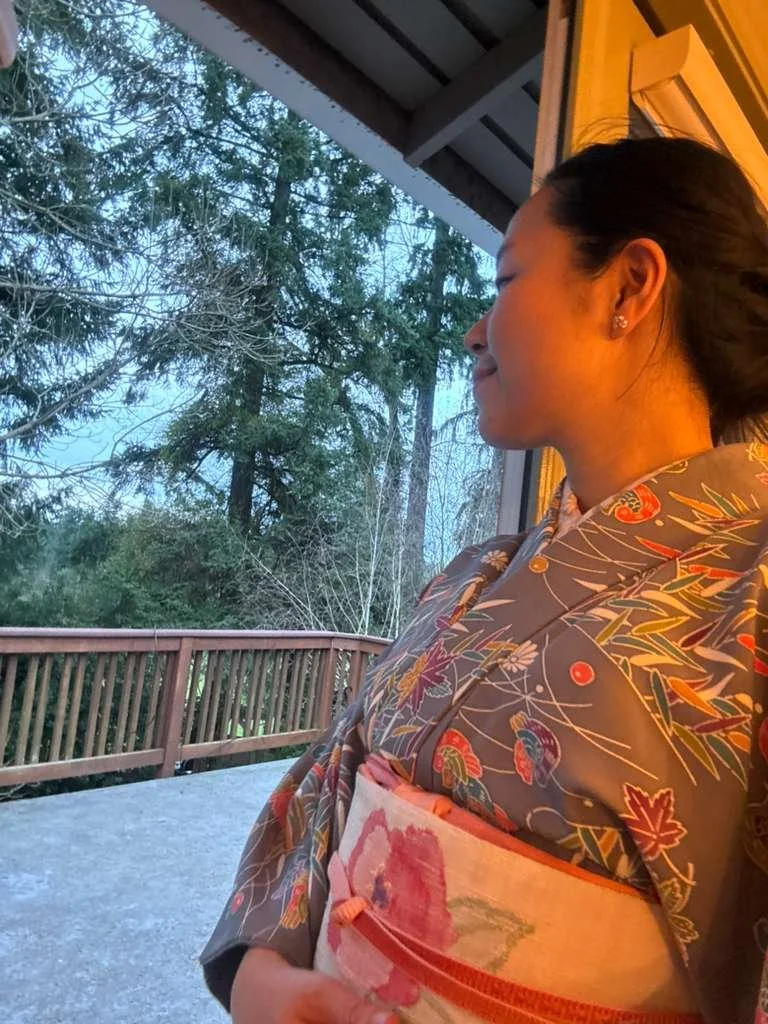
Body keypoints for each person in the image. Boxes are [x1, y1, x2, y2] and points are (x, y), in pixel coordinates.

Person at [200, 137, 768, 1024]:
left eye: (505, 283)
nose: (476, 330)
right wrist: (266, 984)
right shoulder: (471, 578)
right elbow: (324, 793)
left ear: (629, 287)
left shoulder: (754, 585)